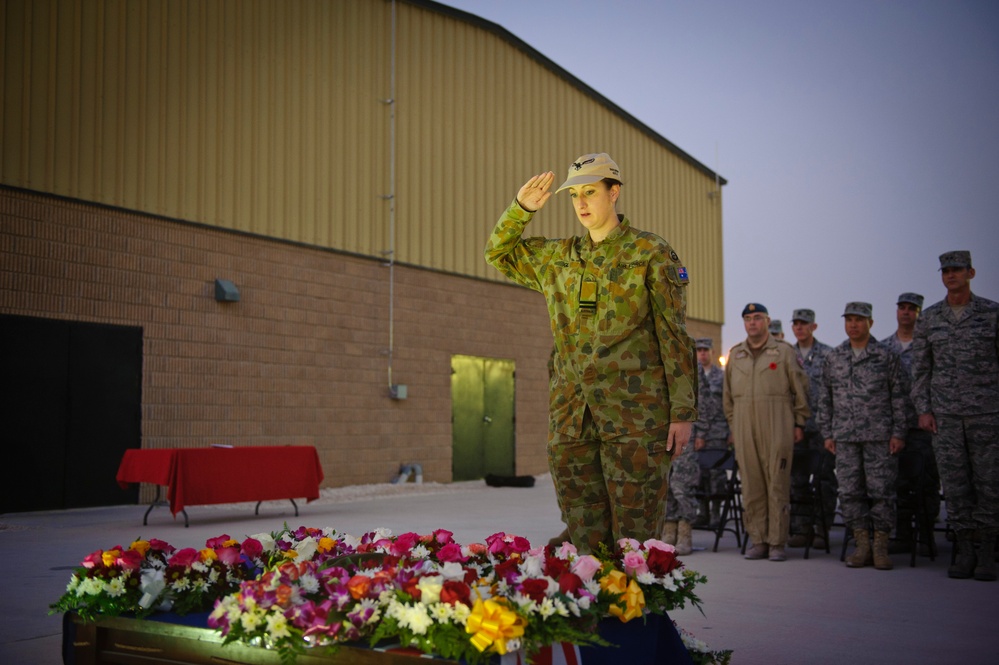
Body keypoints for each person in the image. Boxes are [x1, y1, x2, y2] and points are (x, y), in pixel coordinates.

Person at [485, 153, 698, 554]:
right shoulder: (557, 257)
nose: (581, 203)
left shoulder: (648, 252)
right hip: (572, 418)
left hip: (634, 416)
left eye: (590, 192)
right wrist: (520, 210)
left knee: (635, 536)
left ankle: (637, 614)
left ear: (613, 193)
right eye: (574, 196)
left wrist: (682, 412)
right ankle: (593, 610)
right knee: (583, 529)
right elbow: (498, 254)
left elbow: (674, 334)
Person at [911, 251, 999, 581]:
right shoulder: (931, 318)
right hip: (945, 416)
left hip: (987, 414)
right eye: (946, 271)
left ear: (971, 272)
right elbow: (921, 369)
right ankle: (964, 551)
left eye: (957, 270)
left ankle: (987, 551)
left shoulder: (991, 313)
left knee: (989, 484)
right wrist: (924, 409)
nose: (951, 276)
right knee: (956, 485)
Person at [818, 302, 910, 570]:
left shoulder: (885, 355)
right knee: (849, 492)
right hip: (845, 438)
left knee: (881, 492)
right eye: (849, 320)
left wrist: (898, 432)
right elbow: (825, 398)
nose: (853, 325)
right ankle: (861, 545)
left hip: (880, 437)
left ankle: (881, 546)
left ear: (870, 322)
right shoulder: (834, 358)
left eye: (859, 320)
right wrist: (828, 432)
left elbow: (899, 398)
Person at [724, 303, 811, 562]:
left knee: (777, 483)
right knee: (751, 485)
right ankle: (759, 540)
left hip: (777, 422)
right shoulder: (735, 354)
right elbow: (727, 397)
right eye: (748, 318)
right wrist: (734, 425)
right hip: (743, 424)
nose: (752, 323)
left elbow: (800, 389)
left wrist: (799, 423)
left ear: (767, 321)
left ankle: (777, 542)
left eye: (758, 318)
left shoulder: (783, 352)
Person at [883, 293, 941, 555]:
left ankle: (926, 533)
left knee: (926, 482)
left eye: (912, 309)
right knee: (895, 482)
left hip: (922, 428)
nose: (906, 313)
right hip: (893, 427)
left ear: (919, 313)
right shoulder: (884, 348)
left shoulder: (929, 345)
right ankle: (902, 534)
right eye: (902, 308)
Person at [788, 308, 836, 549]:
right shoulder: (786, 354)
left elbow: (833, 392)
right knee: (796, 479)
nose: (799, 327)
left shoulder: (828, 354)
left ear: (813, 327)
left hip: (821, 428)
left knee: (824, 479)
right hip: (795, 429)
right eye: (796, 323)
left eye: (804, 324)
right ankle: (801, 528)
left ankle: (821, 528)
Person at [691, 337, 731, 528]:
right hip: (696, 433)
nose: (702, 353)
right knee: (699, 474)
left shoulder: (722, 377)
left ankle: (716, 513)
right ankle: (702, 512)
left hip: (717, 432)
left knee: (717, 474)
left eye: (705, 350)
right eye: (699, 350)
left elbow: (730, 405)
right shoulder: (691, 376)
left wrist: (731, 430)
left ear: (712, 352)